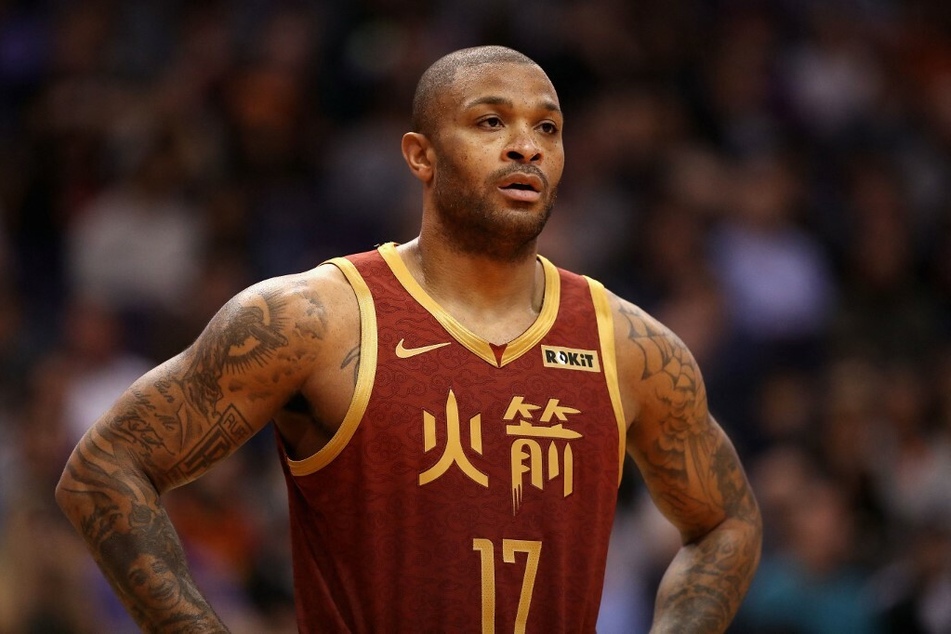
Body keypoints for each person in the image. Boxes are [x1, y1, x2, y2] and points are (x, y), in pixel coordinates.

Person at [55, 45, 762, 633]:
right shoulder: (312, 319)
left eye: (547, 128)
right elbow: (104, 468)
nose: (525, 144)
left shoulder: (629, 345)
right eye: (490, 121)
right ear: (420, 156)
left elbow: (726, 521)